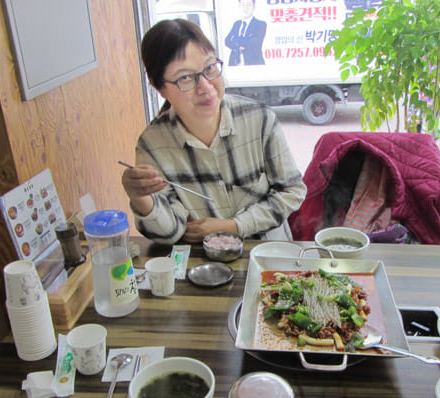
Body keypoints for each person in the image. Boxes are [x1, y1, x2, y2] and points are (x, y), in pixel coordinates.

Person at [122, 19, 306, 245]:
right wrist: (141, 199)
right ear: (158, 86)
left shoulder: (259, 120)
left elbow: (292, 190)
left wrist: (234, 226)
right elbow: (170, 232)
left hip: (269, 254)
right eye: (185, 78)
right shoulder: (152, 145)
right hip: (204, 266)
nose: (206, 87)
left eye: (210, 68)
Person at [224, 0, 267, 66]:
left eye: (248, 5)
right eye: (243, 5)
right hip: (235, 63)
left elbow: (254, 43)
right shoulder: (237, 24)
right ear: (239, 6)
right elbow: (227, 41)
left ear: (254, 7)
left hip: (254, 64)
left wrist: (235, 40)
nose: (245, 8)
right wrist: (240, 45)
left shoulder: (260, 24)